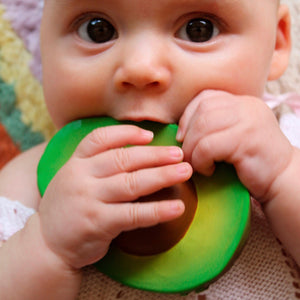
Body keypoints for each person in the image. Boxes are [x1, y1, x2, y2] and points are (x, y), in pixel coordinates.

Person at [0, 0, 299, 298]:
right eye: (97, 30)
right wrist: (47, 247)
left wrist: (282, 176)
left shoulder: (286, 144)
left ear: (276, 42)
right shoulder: (30, 190)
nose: (140, 68)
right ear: (43, 43)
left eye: (199, 30)